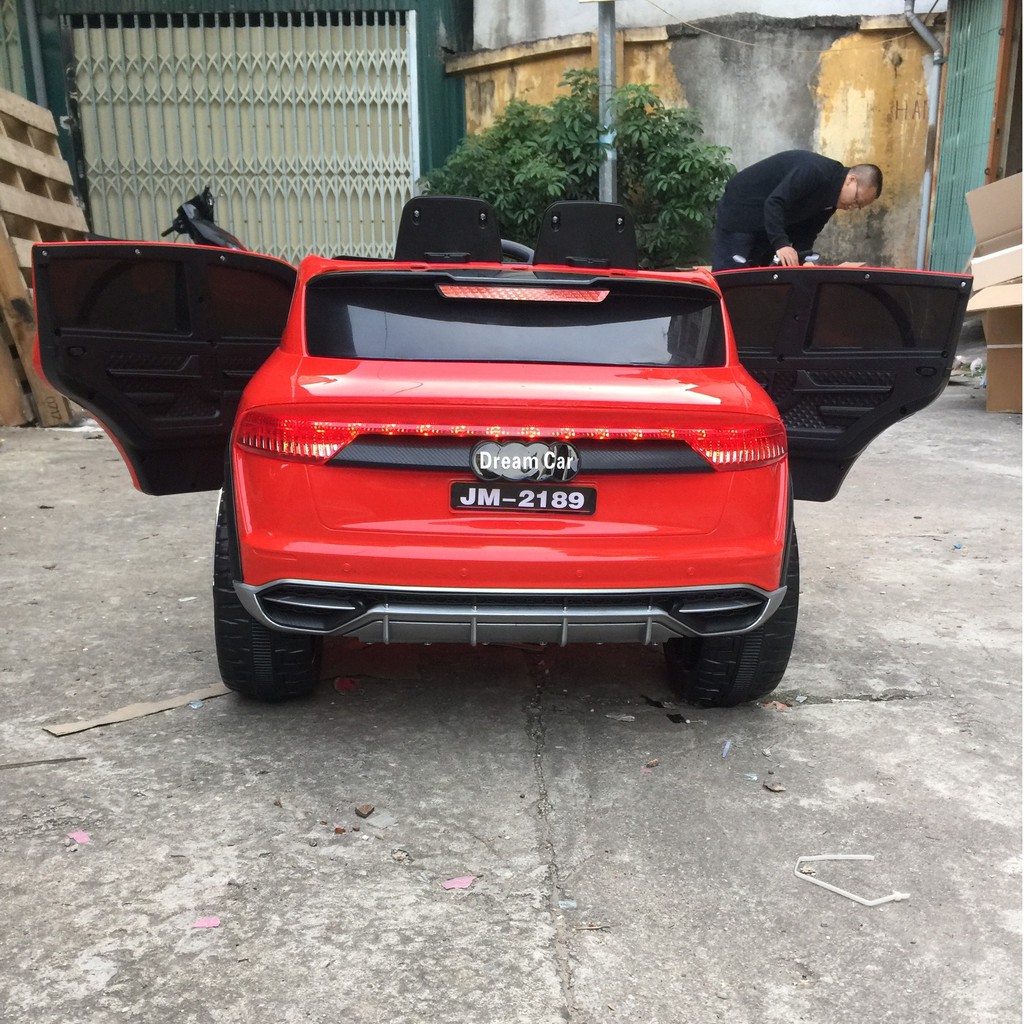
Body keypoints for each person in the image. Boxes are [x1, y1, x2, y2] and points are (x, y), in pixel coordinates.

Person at [711, 150, 883, 272]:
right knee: (732, 279)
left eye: (858, 207)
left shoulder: (833, 199)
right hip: (740, 212)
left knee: (762, 281)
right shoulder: (815, 171)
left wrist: (803, 259)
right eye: (856, 200)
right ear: (851, 180)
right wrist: (782, 244)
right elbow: (775, 202)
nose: (852, 207)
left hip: (768, 225)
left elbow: (808, 232)